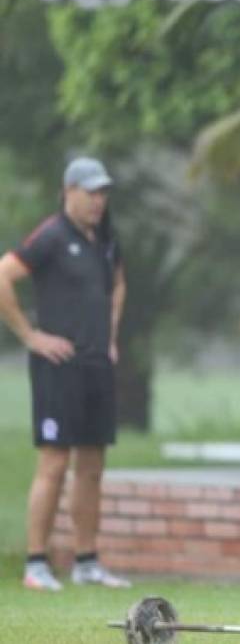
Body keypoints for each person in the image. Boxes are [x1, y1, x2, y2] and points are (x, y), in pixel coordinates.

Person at [0, 157, 129, 591]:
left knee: (92, 466)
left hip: (97, 365)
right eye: (91, 192)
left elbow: (119, 284)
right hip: (58, 366)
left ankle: (87, 560)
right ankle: (36, 563)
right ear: (68, 191)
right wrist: (31, 337)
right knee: (54, 462)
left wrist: (110, 337)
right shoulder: (51, 236)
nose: (99, 201)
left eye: (103, 192)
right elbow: (3, 275)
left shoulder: (107, 239)